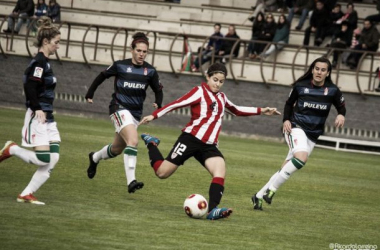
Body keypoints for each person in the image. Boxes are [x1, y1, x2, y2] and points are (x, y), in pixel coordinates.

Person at [139, 62, 281, 220]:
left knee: (220, 169)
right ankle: (151, 143)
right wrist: (154, 115)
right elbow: (176, 104)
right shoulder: (199, 92)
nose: (218, 84)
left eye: (221, 81)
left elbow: (237, 110)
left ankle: (213, 210)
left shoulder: (222, 97)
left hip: (209, 146)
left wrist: (262, 110)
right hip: (190, 139)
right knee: (162, 173)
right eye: (215, 79)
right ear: (207, 76)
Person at [251, 57, 346, 211]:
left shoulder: (333, 90)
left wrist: (341, 114)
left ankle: (259, 196)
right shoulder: (300, 86)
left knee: (286, 167)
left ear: (328, 73)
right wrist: (286, 120)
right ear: (312, 69)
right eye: (316, 69)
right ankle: (272, 191)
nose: (319, 72)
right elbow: (289, 104)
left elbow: (341, 106)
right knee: (301, 158)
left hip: (313, 135)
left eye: (323, 70)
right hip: (295, 128)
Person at [85, 32, 163, 194]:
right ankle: (131, 181)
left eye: (145, 51)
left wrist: (158, 102)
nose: (141, 54)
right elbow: (101, 76)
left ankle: (94, 158)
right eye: (139, 51)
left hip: (134, 115)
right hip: (118, 108)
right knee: (133, 140)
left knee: (116, 149)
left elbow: (158, 89)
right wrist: (90, 93)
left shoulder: (150, 71)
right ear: (132, 50)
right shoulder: (120, 65)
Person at [0, 17, 61, 205]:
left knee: (54, 157)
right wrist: (36, 108)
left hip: (48, 117)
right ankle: (13, 149)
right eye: (56, 42)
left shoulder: (46, 62)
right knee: (43, 158)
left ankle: (26, 194)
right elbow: (30, 87)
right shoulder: (39, 62)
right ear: (45, 42)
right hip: (39, 116)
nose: (58, 46)